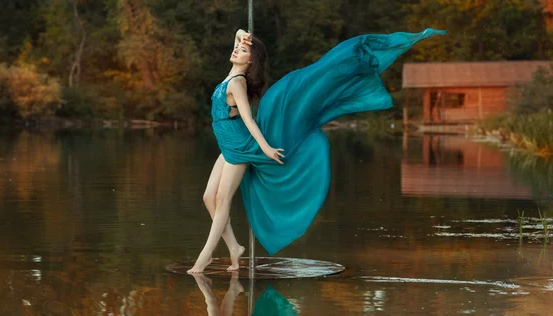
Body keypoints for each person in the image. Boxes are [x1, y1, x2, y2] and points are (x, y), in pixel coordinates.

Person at [187, 28, 446, 274]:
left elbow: (249, 120)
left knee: (222, 201)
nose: (237, 50)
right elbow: (238, 34)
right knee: (208, 198)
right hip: (227, 144)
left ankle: (205, 256)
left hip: (240, 147)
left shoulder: (238, 83)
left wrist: (265, 148)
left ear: (250, 63)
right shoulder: (229, 74)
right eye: (238, 48)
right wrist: (244, 38)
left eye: (243, 51)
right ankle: (235, 247)